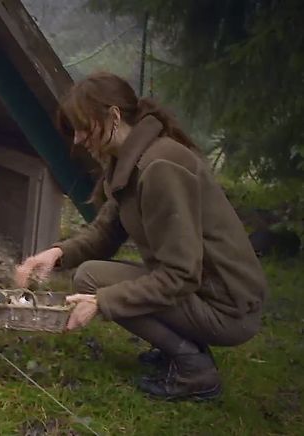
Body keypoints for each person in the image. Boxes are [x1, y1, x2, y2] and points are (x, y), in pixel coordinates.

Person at [14, 71, 268, 401]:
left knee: (95, 285)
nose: (77, 139)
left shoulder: (161, 167)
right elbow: (105, 232)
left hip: (228, 308)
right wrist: (55, 254)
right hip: (202, 292)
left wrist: (103, 302)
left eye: (82, 126)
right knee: (90, 275)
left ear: (114, 116)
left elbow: (181, 274)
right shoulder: (129, 162)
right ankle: (178, 349)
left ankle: (195, 370)